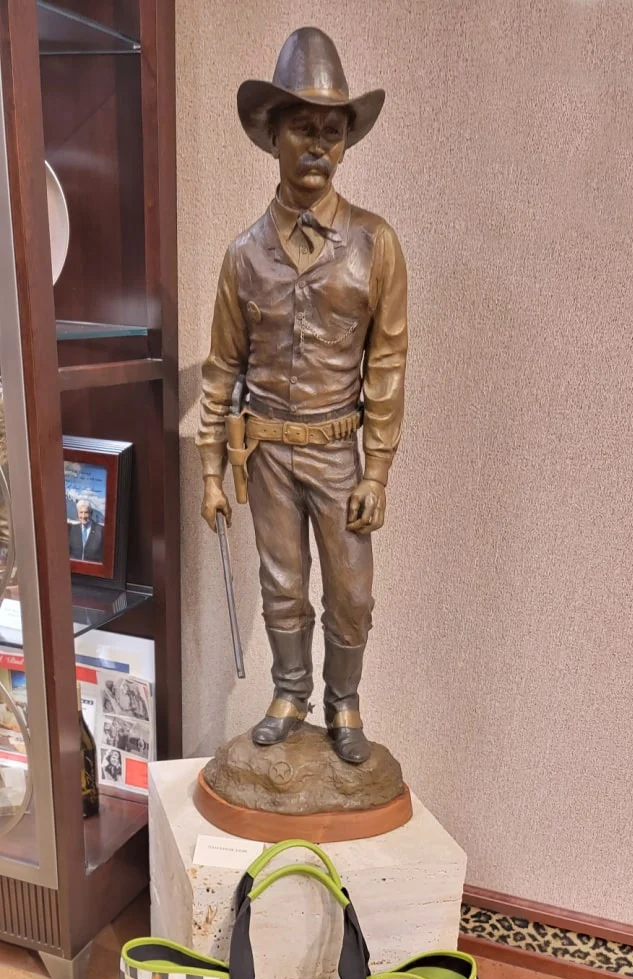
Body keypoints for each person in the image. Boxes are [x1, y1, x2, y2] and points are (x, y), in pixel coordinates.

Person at [198, 28, 407, 764]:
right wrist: (212, 471)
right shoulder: (242, 255)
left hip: (339, 453)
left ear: (345, 143)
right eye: (303, 129)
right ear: (273, 136)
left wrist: (377, 470)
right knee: (281, 585)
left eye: (332, 132)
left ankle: (343, 702)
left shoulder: (375, 244)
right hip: (268, 457)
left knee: (351, 593)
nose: (318, 147)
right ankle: (289, 694)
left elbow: (388, 363)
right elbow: (220, 368)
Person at [68, 498, 104, 563]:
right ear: (77, 513)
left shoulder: (101, 530)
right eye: (81, 512)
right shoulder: (72, 529)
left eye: (86, 512)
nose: (83, 516)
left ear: (91, 513)